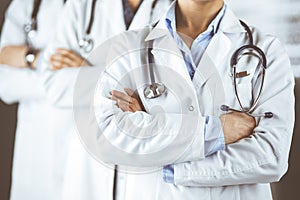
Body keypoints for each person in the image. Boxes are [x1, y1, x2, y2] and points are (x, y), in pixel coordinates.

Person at [80, 0, 295, 199]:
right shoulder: (128, 46)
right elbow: (106, 138)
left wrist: (169, 163)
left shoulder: (267, 51)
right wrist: (216, 131)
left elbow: (271, 156)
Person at [38, 0, 172, 199]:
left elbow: (174, 87)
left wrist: (86, 71)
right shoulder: (82, 6)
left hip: (147, 162)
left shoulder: (176, 9)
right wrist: (134, 77)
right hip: (89, 161)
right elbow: (55, 86)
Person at [0, 0, 68, 199]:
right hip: (35, 148)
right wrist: (39, 58)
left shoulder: (103, 7)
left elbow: (98, 77)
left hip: (79, 141)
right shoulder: (27, 5)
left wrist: (25, 59)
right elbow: (5, 83)